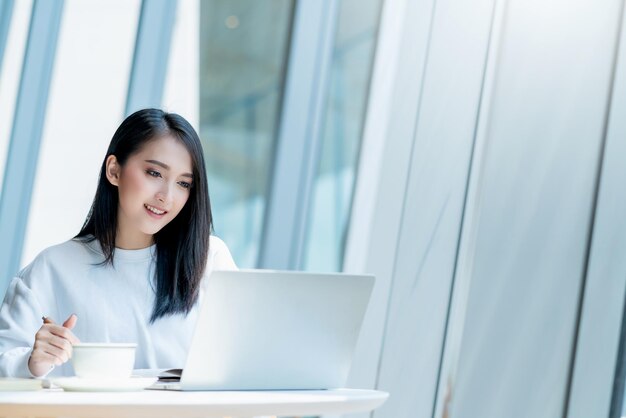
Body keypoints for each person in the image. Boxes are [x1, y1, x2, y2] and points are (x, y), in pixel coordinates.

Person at [0, 108, 237, 378]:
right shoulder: (53, 268)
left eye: (183, 183)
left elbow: (245, 363)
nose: (167, 196)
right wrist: (33, 363)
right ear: (114, 170)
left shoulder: (209, 259)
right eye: (155, 173)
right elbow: (5, 361)